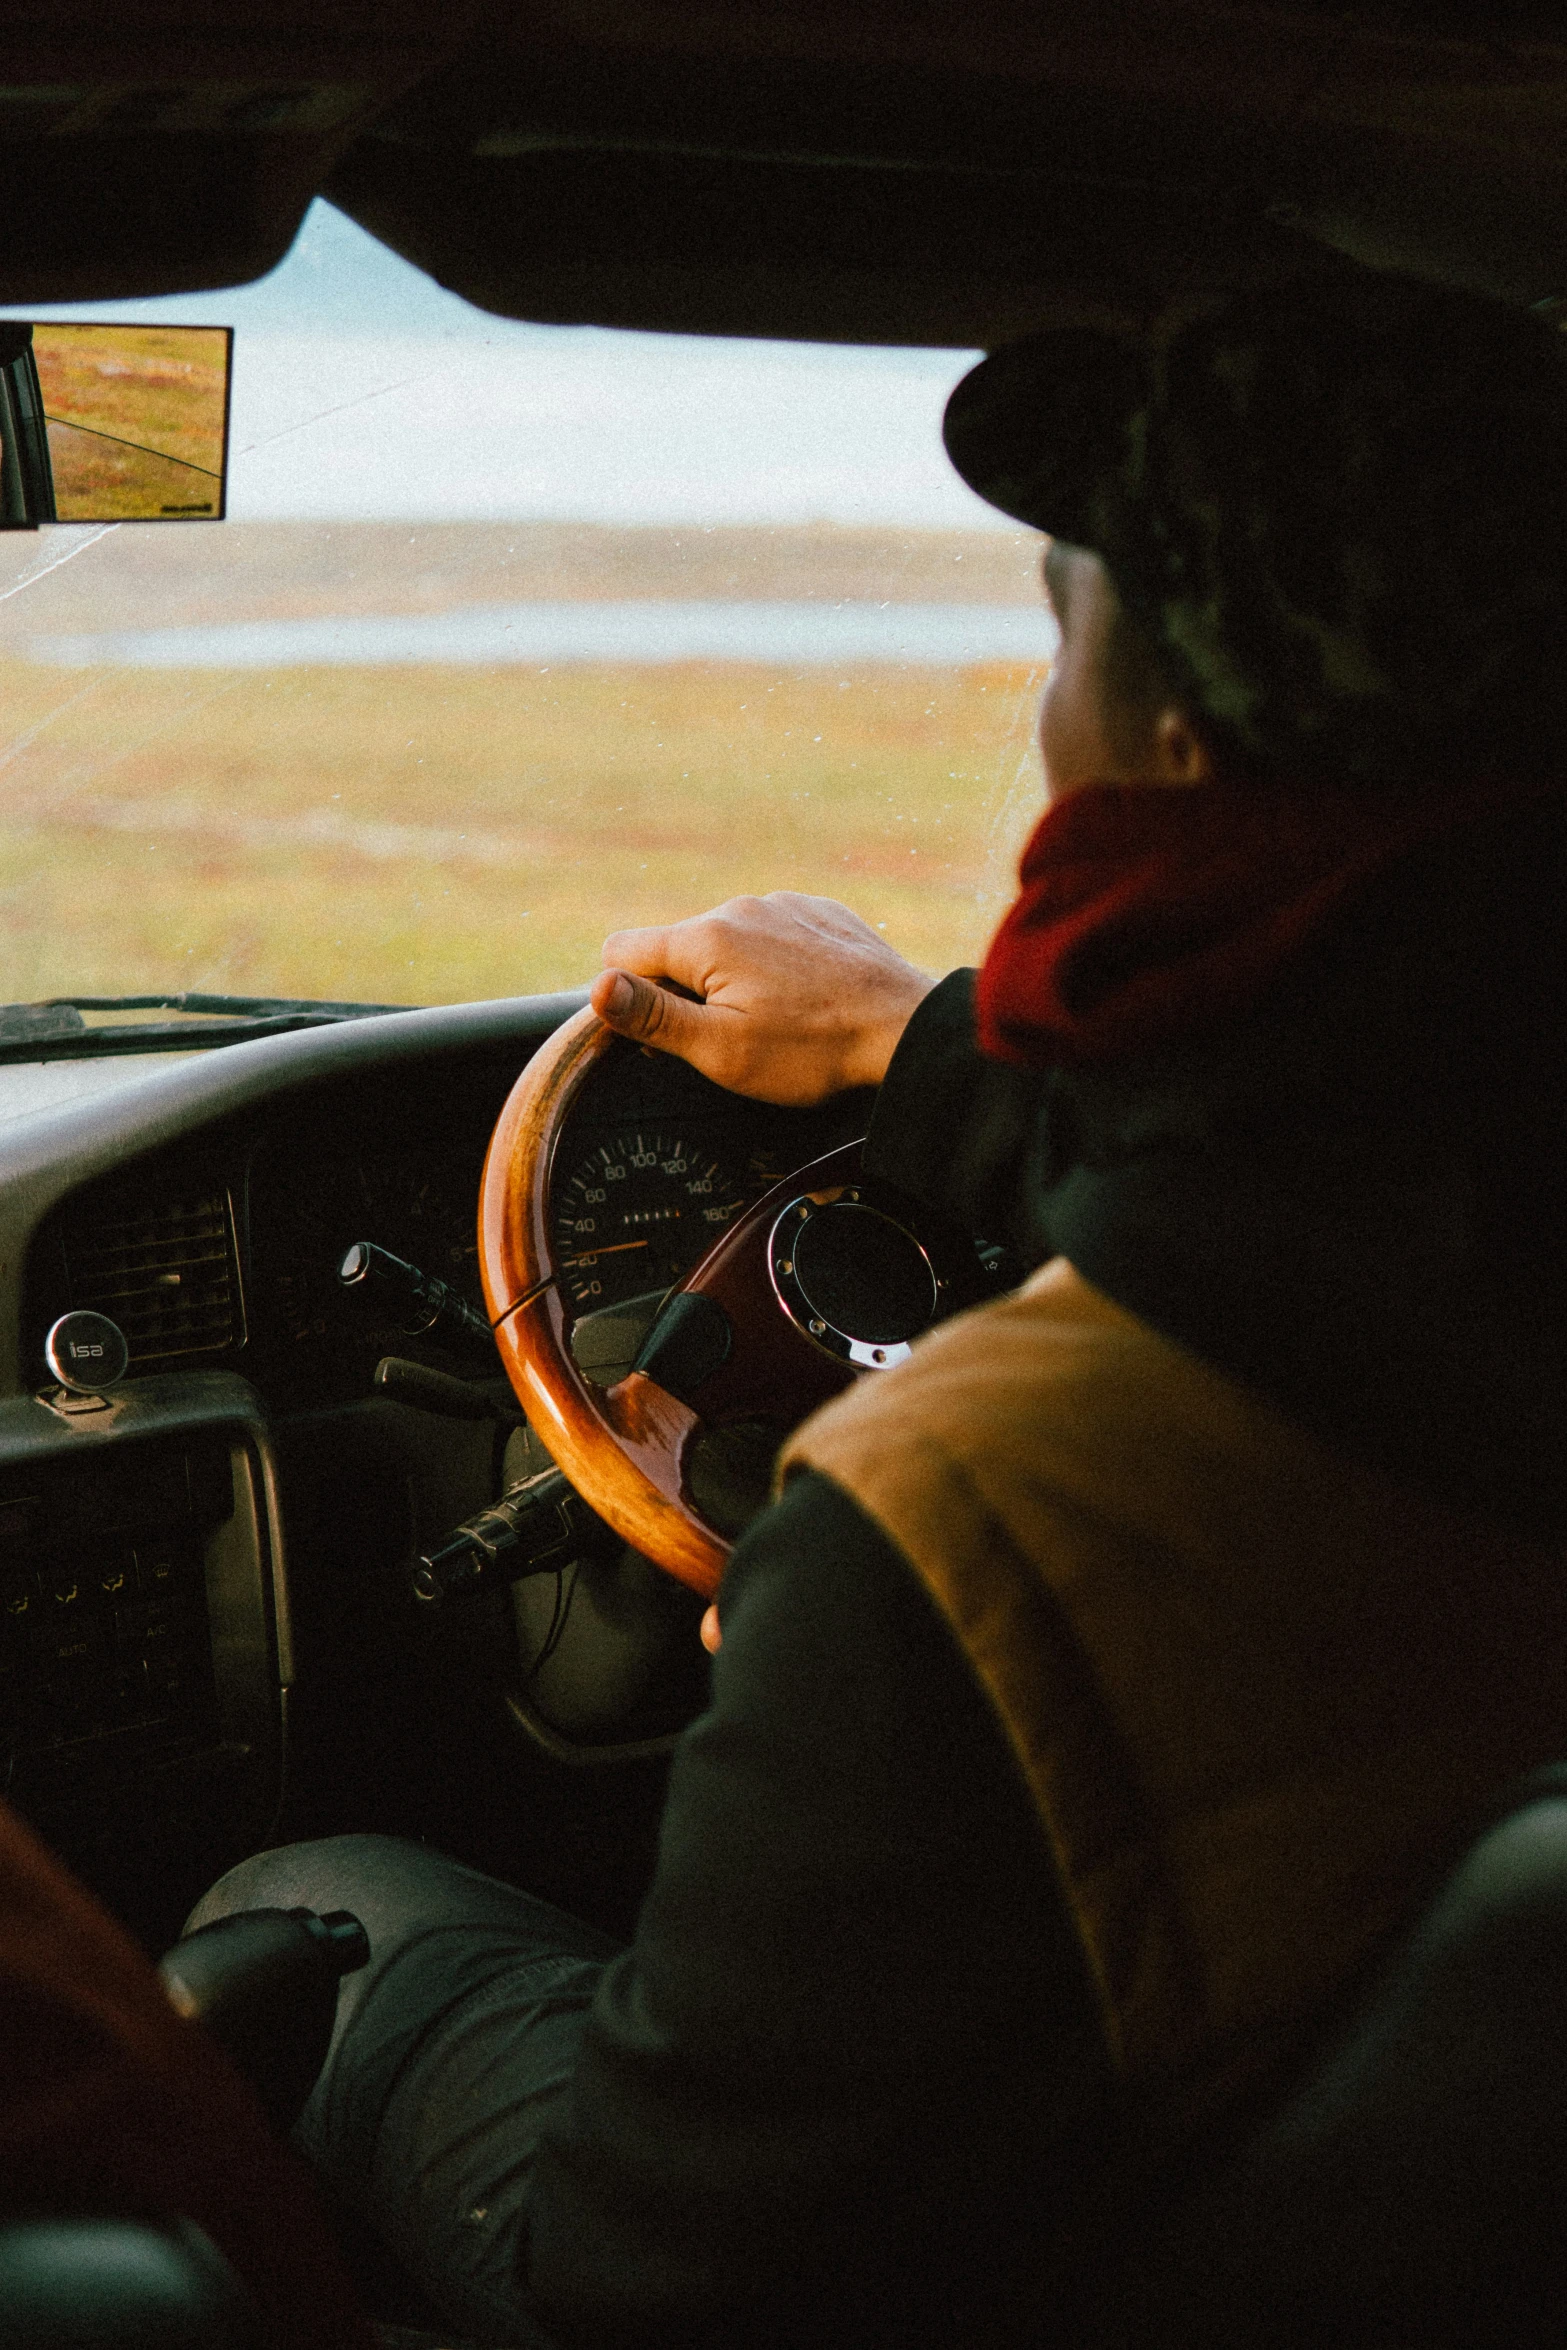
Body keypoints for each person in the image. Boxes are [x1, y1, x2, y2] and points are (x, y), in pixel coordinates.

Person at [188, 272, 1567, 2349]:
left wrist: (864, 1621)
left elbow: (660, 2280)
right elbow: (1326, 1194)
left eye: (1063, 624)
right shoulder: (1465, 1195)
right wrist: (919, 1052)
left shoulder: (970, 1510)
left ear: (1172, 733)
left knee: (312, 1904)